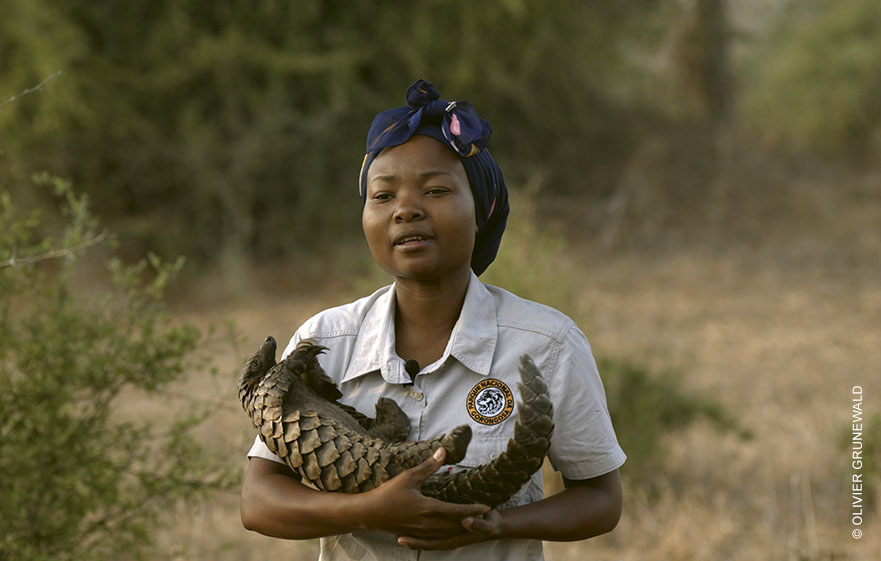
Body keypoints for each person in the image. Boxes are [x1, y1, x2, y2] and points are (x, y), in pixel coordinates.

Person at [240, 79, 626, 560]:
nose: (406, 210)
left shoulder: (547, 344)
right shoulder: (324, 342)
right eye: (382, 197)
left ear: (482, 210)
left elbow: (601, 499)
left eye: (436, 190)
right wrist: (368, 510)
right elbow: (258, 502)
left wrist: (497, 525)